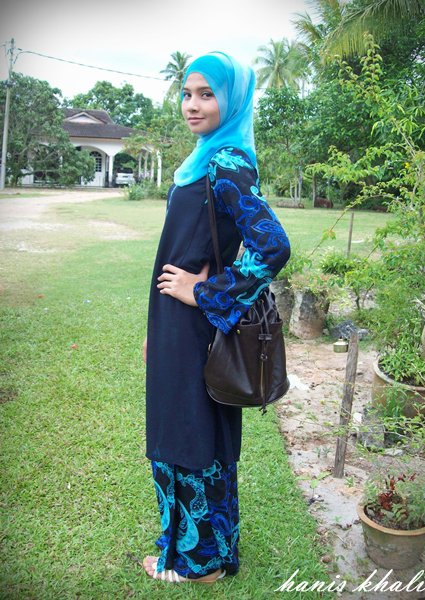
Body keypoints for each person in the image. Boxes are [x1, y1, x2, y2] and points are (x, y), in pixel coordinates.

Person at [142, 51, 291, 584]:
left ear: (234, 100)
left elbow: (272, 245)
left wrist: (206, 292)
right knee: (187, 431)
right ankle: (201, 548)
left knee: (192, 435)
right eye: (187, 93)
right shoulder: (203, 158)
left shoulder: (227, 161)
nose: (192, 104)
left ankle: (199, 563)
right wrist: (156, 330)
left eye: (207, 94)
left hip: (195, 325)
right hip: (174, 327)